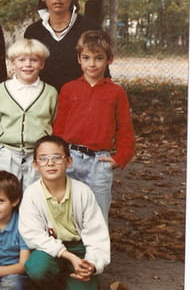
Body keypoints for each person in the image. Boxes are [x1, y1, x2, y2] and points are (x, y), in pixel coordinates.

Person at [19, 135, 110, 290]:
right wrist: (67, 256)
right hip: (51, 250)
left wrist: (91, 264)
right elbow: (33, 235)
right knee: (37, 267)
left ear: (69, 161)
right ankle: (54, 286)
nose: (50, 163)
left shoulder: (83, 192)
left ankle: (80, 286)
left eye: (57, 157)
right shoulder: (32, 194)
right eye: (43, 158)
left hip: (79, 249)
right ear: (35, 165)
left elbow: (97, 235)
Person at [53, 30, 135, 223]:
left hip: (99, 161)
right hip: (71, 158)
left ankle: (96, 244)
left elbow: (125, 130)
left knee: (97, 215)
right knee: (67, 213)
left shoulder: (116, 92)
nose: (92, 64)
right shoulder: (69, 89)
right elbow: (59, 127)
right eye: (86, 58)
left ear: (109, 59)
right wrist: (59, 155)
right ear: (79, 59)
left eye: (98, 58)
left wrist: (119, 158)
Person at [0, 38, 58, 190]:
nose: (28, 64)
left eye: (34, 60)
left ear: (42, 64)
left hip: (38, 154)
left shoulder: (50, 92)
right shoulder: (2, 90)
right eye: (22, 60)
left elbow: (53, 120)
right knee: (5, 193)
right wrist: (0, 147)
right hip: (8, 153)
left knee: (34, 194)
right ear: (12, 64)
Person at [23, 0, 106, 91]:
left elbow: (103, 73)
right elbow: (27, 72)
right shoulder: (33, 32)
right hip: (42, 98)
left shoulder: (90, 28)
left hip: (82, 98)